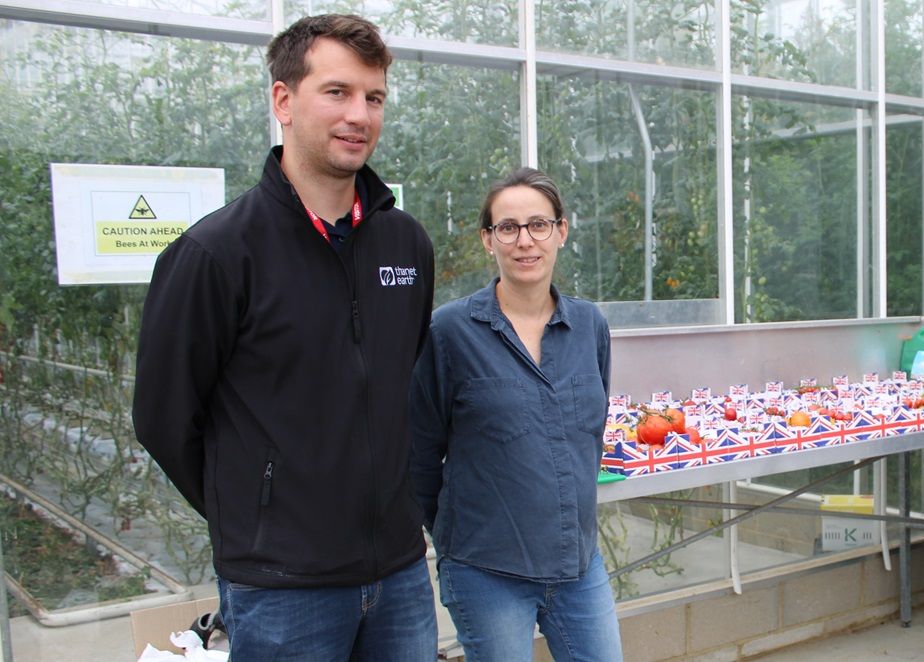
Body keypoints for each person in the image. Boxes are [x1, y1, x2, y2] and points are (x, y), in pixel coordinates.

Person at [131, 14, 437, 660]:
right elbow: (163, 420)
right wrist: (261, 515)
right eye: (337, 92)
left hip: (401, 575)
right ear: (283, 101)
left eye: (374, 97)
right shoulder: (216, 254)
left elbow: (397, 383)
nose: (360, 113)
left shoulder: (406, 244)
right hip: (283, 591)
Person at [408, 167, 621, 662]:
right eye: (508, 227)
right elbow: (419, 452)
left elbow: (588, 432)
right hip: (488, 570)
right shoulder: (450, 331)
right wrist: (460, 534)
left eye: (538, 225)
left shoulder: (589, 325)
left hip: (577, 563)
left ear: (561, 231)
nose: (525, 241)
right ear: (488, 239)